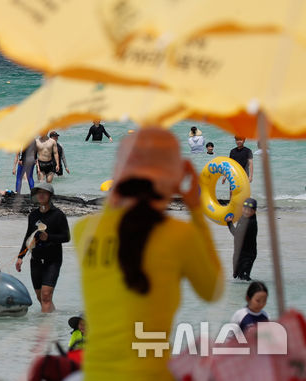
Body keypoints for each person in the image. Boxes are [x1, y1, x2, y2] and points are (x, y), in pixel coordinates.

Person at [72, 128, 222, 380]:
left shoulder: (84, 231)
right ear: (171, 179)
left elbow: (120, 224)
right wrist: (195, 209)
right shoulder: (179, 235)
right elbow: (213, 289)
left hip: (96, 374)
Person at [16, 182, 70, 313]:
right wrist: (20, 256)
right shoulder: (33, 215)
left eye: (44, 193)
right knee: (41, 297)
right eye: (38, 192)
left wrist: (49, 237)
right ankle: (52, 319)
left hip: (53, 260)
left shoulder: (58, 215)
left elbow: (66, 237)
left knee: (46, 296)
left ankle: (44, 328)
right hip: (35, 259)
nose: (41, 195)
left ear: (50, 195)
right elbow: (28, 237)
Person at [226, 198, 259, 281]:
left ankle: (250, 290)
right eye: (245, 209)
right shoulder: (243, 217)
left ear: (254, 211)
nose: (246, 212)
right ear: (242, 208)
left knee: (243, 278)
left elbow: (236, 234)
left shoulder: (250, 223)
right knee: (235, 276)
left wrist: (229, 223)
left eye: (250, 210)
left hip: (248, 255)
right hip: (238, 253)